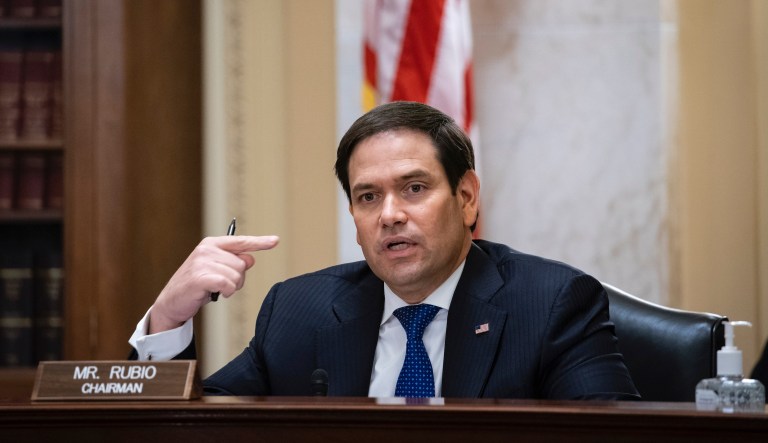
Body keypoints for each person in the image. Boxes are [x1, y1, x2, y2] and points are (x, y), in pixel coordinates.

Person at [129, 101, 640, 400]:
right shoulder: (298, 311)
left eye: (414, 188)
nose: (390, 214)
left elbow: (611, 439)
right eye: (367, 197)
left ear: (466, 198)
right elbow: (191, 430)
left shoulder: (552, 304)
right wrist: (167, 322)